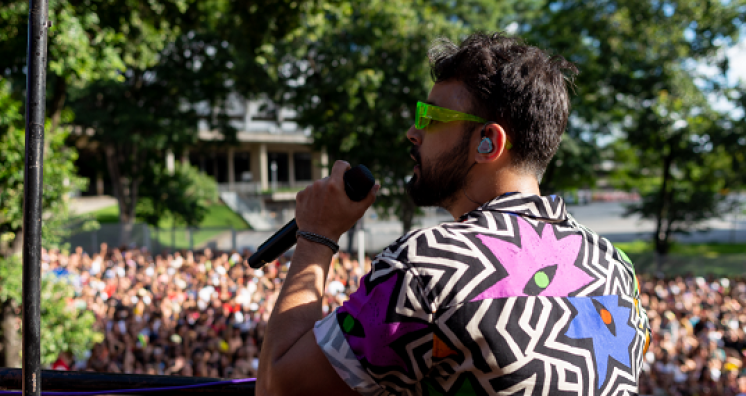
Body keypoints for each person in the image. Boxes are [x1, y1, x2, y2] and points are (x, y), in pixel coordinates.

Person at [257, 32, 651, 395]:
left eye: (430, 117)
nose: (414, 132)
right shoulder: (615, 268)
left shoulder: (428, 267)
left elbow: (278, 385)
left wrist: (316, 236)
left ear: (487, 142)